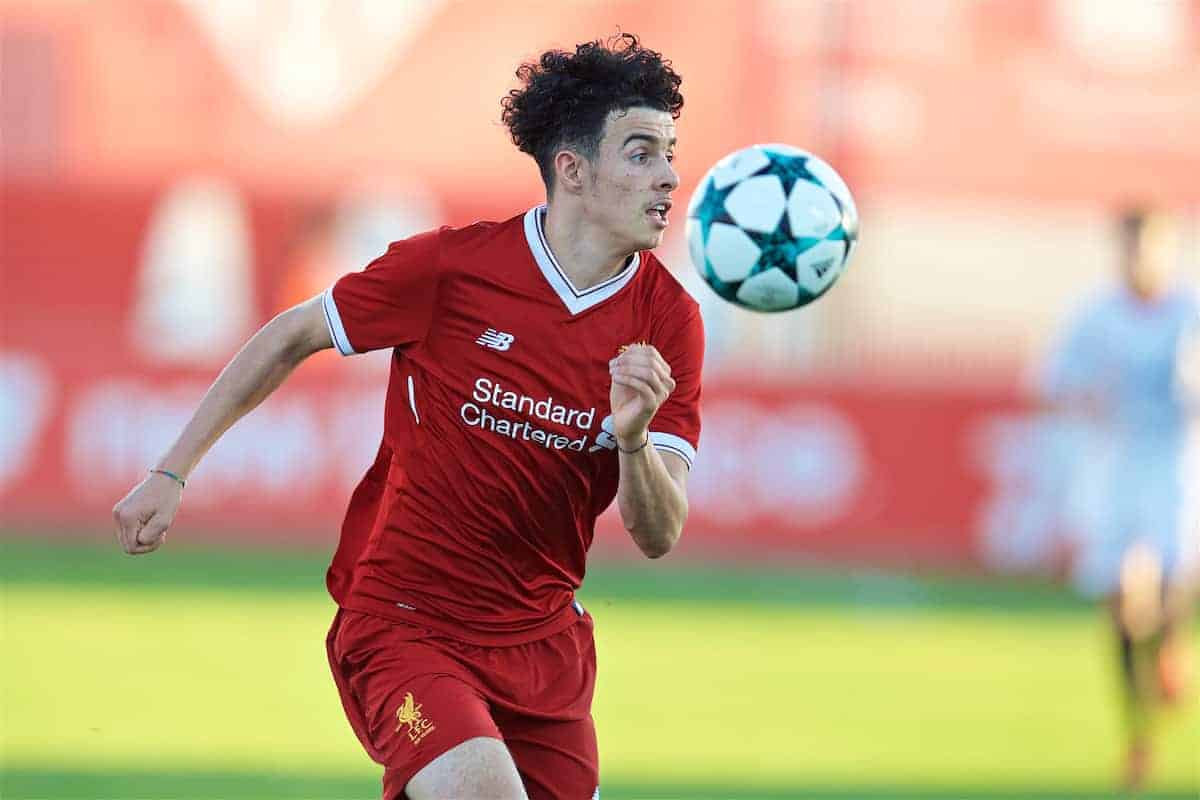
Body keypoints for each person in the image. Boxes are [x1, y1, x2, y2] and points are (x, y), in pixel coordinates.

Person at [112, 34, 702, 800]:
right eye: (642, 152)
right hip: (403, 625)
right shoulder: (451, 271)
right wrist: (170, 471)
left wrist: (630, 440)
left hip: (543, 649)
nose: (670, 176)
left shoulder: (669, 320)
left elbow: (659, 534)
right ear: (573, 169)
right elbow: (292, 334)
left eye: (670, 152)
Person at [1040, 209, 1198, 791]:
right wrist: (1087, 399)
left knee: (1165, 583)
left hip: (1176, 465)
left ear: (1169, 251)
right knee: (1123, 607)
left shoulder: (1191, 312)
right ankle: (1139, 735)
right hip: (1114, 467)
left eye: (1151, 248)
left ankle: (1173, 646)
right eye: (1131, 249)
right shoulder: (1095, 316)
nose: (1141, 260)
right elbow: (1053, 382)